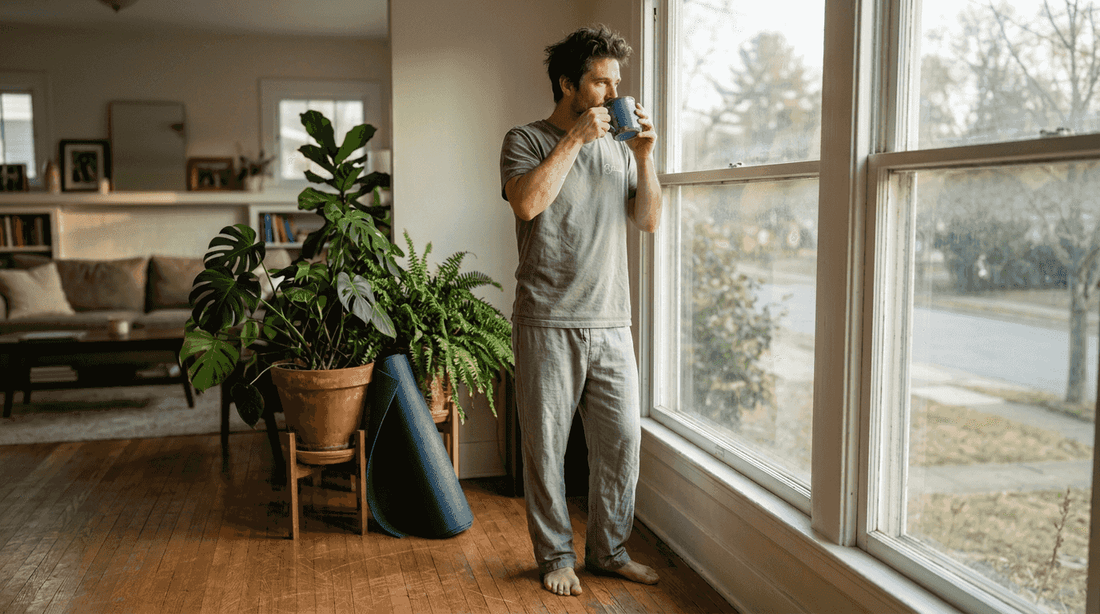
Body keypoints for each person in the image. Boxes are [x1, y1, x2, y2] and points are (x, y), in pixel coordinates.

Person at [498, 24, 662, 597]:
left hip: (612, 321)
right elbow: (527, 204)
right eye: (600, 82)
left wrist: (644, 158)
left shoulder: (620, 147)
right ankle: (555, 556)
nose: (614, 93)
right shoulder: (525, 139)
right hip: (546, 321)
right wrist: (575, 140)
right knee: (546, 451)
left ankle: (609, 552)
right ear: (568, 85)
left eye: (617, 82)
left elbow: (648, 220)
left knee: (621, 445)